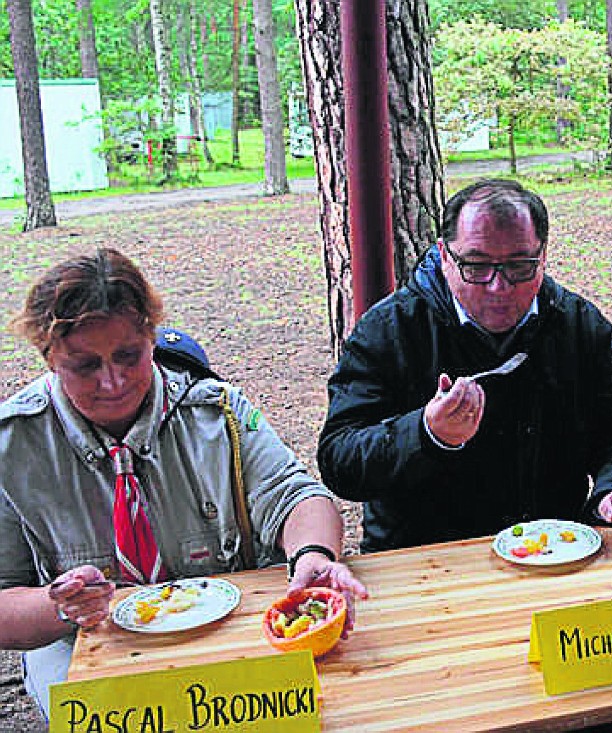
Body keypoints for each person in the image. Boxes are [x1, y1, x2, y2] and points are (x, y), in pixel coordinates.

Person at [0, 249, 367, 718]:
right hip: (82, 648)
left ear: (151, 337)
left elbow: (299, 498)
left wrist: (313, 556)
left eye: (128, 356)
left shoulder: (219, 415)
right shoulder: (13, 445)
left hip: (224, 637)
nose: (112, 381)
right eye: (85, 365)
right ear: (49, 358)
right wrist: (61, 607)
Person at [318, 178, 612, 551]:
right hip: (423, 558)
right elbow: (340, 461)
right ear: (445, 257)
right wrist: (425, 434)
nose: (499, 287)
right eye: (477, 266)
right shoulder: (391, 330)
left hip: (553, 550)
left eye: (519, 266)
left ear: (543, 256)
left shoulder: (576, 324)